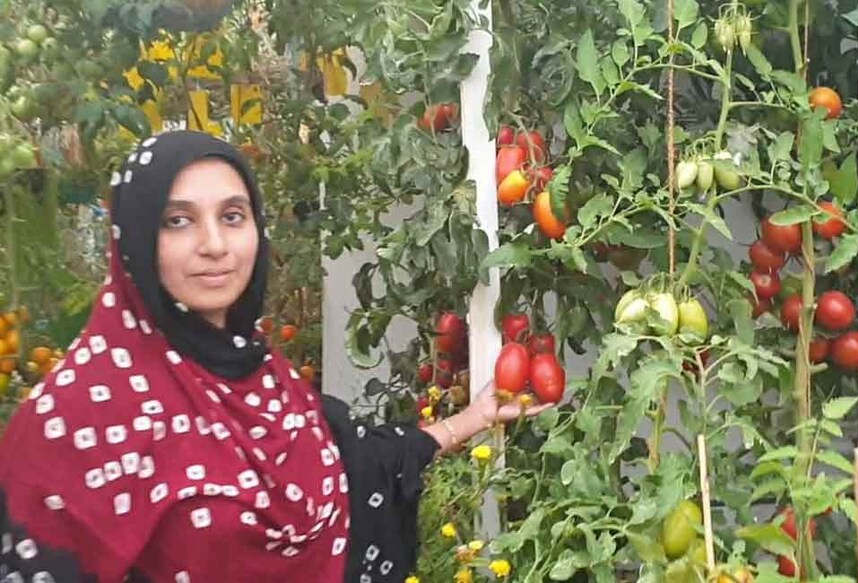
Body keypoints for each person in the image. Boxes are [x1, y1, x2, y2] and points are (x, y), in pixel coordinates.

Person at [0, 131, 550, 582]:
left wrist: (473, 419)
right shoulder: (75, 418)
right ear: (136, 239)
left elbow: (357, 462)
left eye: (233, 216)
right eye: (179, 220)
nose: (214, 244)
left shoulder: (267, 382)